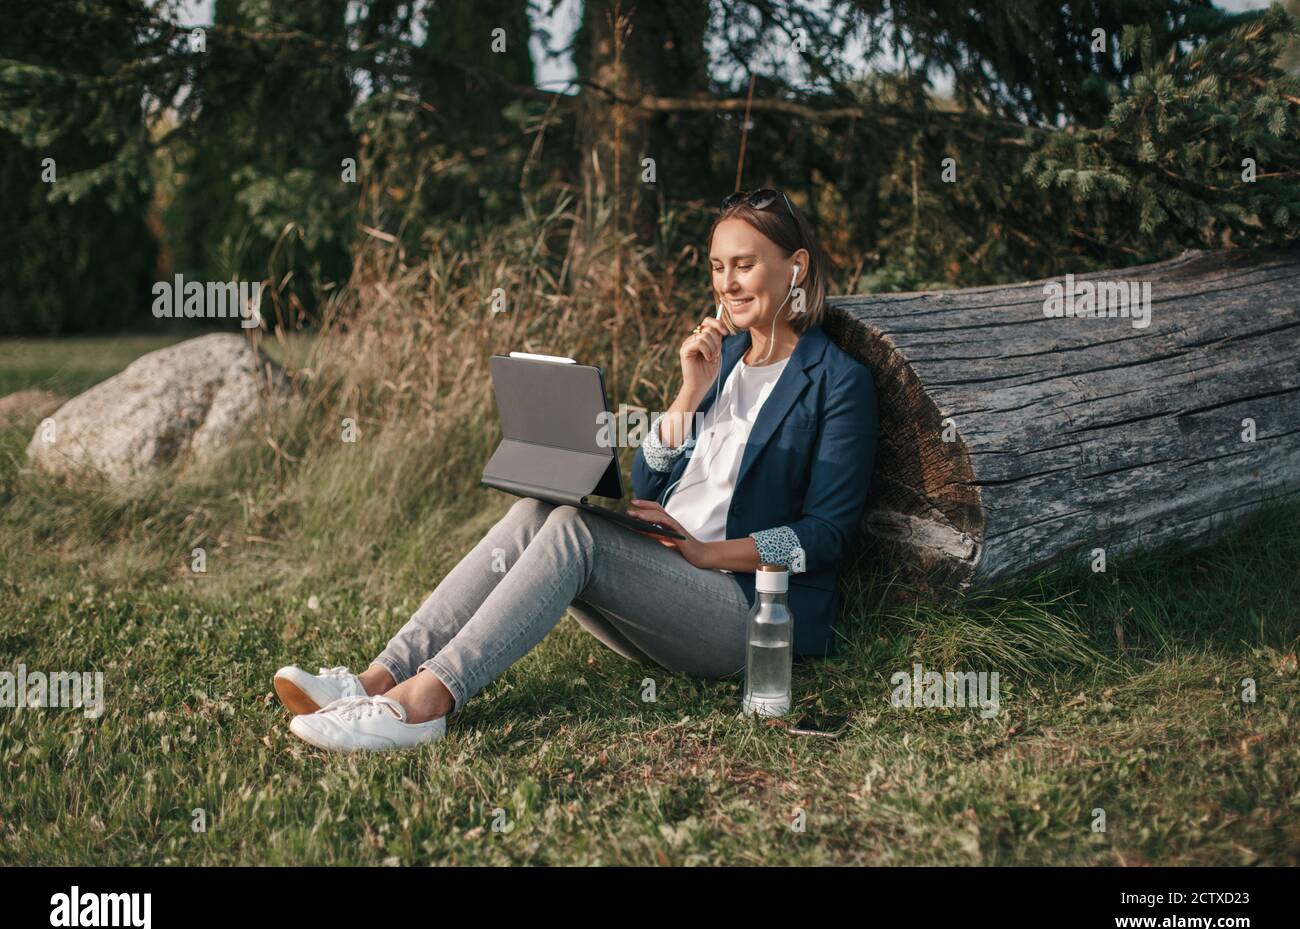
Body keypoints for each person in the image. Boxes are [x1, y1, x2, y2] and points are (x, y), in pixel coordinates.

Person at [274, 188, 880, 752]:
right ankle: (377, 679)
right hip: (665, 578)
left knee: (574, 531)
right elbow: (649, 484)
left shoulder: (836, 383)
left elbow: (825, 536)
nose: (727, 284)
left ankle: (425, 702)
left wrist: (706, 554)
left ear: (795, 265)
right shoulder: (721, 363)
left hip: (747, 612)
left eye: (744, 265)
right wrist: (687, 394)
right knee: (536, 509)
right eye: (718, 267)